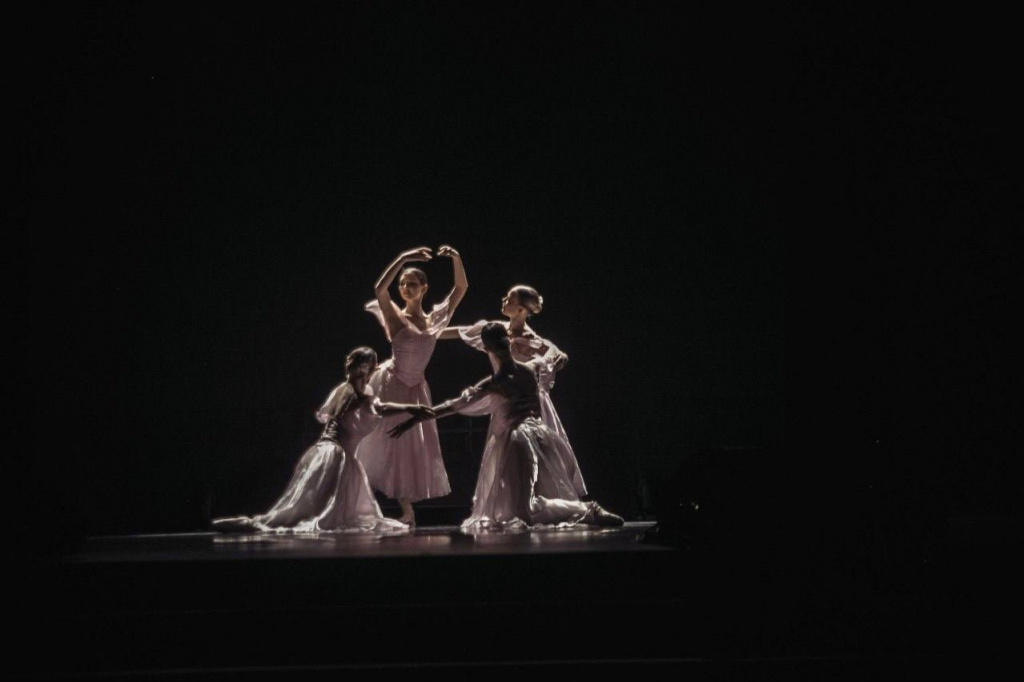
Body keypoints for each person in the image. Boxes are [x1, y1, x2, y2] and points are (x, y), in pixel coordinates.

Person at [390, 323, 623, 531]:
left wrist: (415, 419)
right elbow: (552, 358)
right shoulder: (529, 369)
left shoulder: (499, 382)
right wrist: (552, 349)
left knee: (523, 510)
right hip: (540, 435)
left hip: (520, 440)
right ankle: (585, 511)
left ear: (488, 349)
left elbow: (453, 406)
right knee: (520, 507)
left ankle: (589, 510)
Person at [212, 347, 432, 533]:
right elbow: (374, 408)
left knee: (314, 505)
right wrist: (410, 407)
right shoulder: (352, 392)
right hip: (335, 454)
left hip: (326, 451)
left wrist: (407, 407)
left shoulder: (353, 390)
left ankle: (253, 523)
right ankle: (257, 523)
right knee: (315, 508)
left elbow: (370, 408)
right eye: (365, 366)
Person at [440, 284, 586, 500]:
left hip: (530, 405)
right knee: (507, 459)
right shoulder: (496, 331)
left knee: (540, 458)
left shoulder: (537, 342)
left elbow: (556, 357)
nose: (504, 301)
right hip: (505, 402)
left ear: (521, 310)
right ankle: (516, 503)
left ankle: (543, 502)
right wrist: (424, 335)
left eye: (509, 300)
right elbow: (459, 331)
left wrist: (555, 357)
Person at [356, 246, 467, 525]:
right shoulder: (396, 317)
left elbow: (460, 288)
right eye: (403, 284)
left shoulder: (434, 321)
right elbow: (380, 289)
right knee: (380, 443)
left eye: (412, 284)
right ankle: (358, 502)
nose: (405, 288)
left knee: (406, 446)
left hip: (416, 386)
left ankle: (407, 511)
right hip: (392, 383)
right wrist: (403, 257)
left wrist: (456, 258)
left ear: (424, 288)